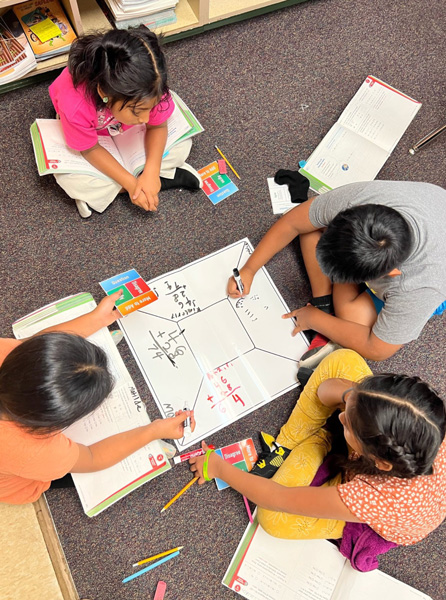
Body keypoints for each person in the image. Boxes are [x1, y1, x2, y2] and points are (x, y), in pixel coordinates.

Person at [189, 349, 446, 546]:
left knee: (272, 520)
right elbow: (326, 391)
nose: (341, 416)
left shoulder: (375, 498)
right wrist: (353, 397)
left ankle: (319, 441)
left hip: (378, 507)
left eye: (348, 424)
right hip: (379, 460)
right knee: (344, 358)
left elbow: (278, 499)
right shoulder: (430, 421)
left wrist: (217, 467)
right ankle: (287, 445)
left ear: (380, 461)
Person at [228, 180, 446, 381]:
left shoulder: (419, 287)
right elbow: (294, 222)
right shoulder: (361, 201)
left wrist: (314, 320)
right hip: (430, 207)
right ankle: (325, 306)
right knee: (309, 229)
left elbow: (378, 349)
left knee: (352, 318)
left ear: (390, 273)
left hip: (430, 278)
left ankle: (325, 311)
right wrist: (250, 268)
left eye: (338, 276)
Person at [0, 290, 195, 505]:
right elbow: (92, 457)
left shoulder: (5, 352)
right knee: (70, 470)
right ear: (55, 421)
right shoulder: (38, 453)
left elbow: (36, 345)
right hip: (17, 480)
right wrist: (153, 431)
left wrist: (96, 319)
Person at [49, 27, 202, 218]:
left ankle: (134, 185)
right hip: (93, 137)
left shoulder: (150, 86)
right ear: (104, 94)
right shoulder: (74, 104)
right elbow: (89, 149)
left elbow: (157, 125)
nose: (145, 119)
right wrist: (131, 183)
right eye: (137, 110)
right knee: (74, 180)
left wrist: (152, 171)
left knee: (181, 144)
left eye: (149, 108)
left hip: (125, 129)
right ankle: (152, 180)